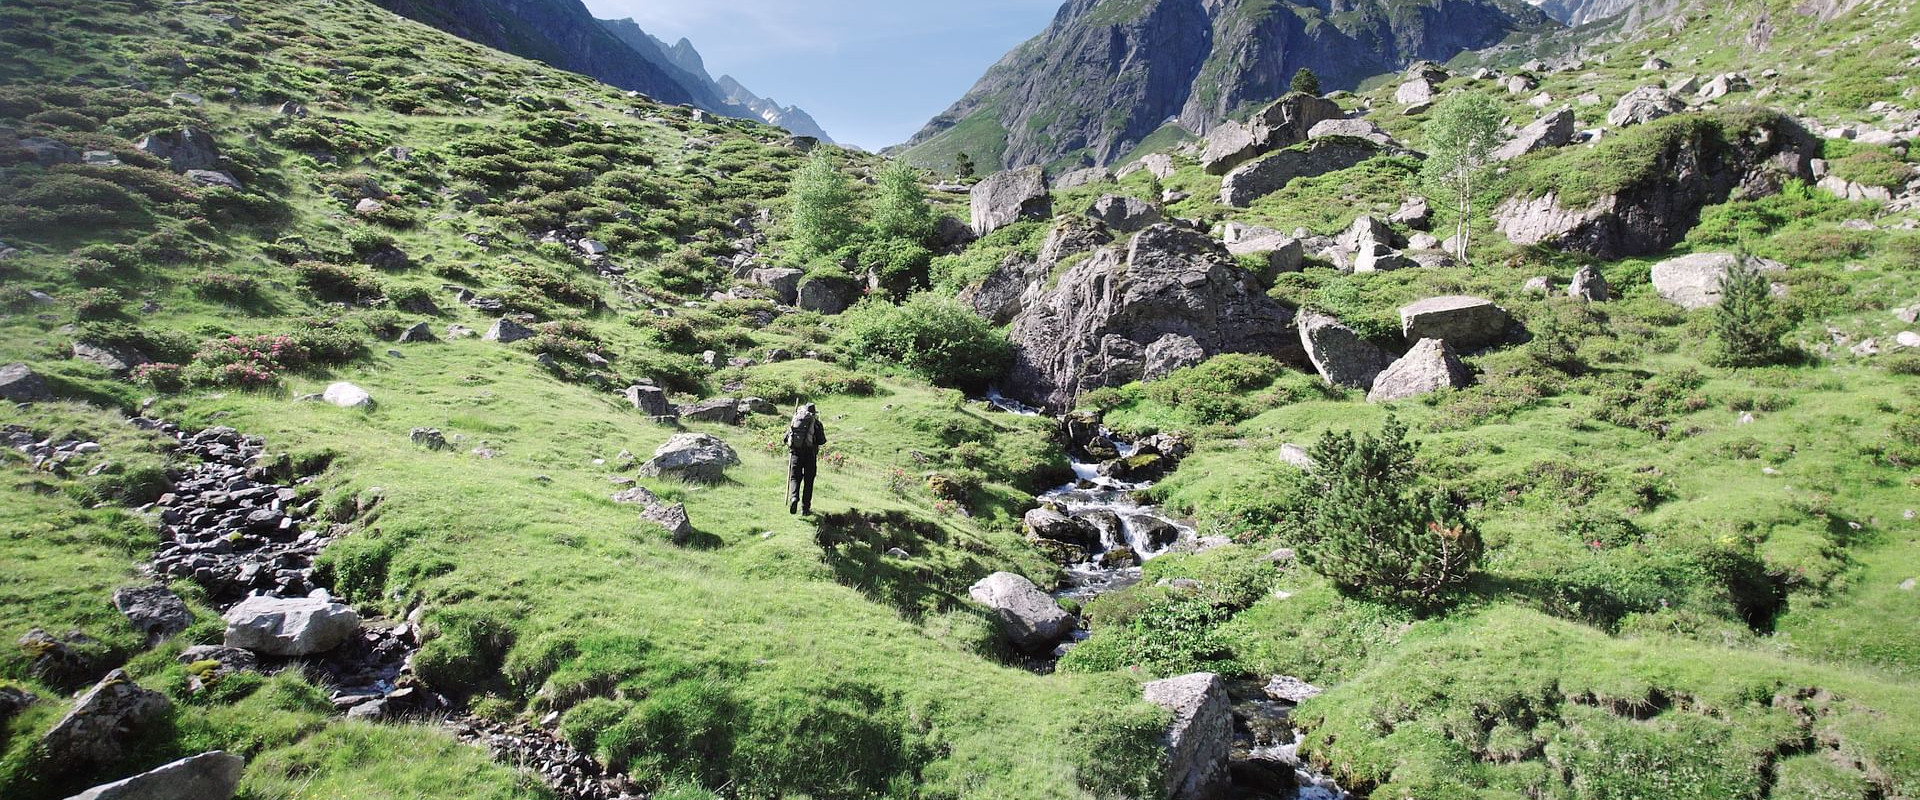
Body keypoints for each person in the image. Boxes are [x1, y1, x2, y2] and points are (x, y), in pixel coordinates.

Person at [784, 403, 826, 515]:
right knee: (809, 481)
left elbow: (786, 438)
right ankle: (805, 509)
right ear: (814, 413)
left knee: (794, 477)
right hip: (810, 455)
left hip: (795, 453)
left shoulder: (796, 419)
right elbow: (822, 441)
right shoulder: (816, 423)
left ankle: (794, 498)